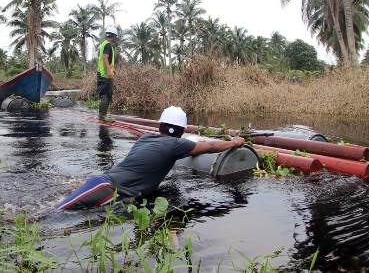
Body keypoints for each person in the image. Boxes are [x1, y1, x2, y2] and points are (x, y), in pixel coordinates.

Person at [57, 106, 245, 210]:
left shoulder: (146, 137)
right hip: (108, 190)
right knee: (55, 213)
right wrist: (234, 142)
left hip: (102, 183)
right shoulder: (177, 144)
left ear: (160, 126)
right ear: (181, 130)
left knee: (63, 209)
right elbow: (211, 146)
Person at [97, 25, 118, 120]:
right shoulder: (108, 45)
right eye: (115, 37)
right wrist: (109, 72)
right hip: (105, 75)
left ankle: (102, 115)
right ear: (113, 36)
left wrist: (112, 69)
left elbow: (105, 60)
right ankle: (102, 116)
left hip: (102, 74)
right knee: (106, 95)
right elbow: (105, 58)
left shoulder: (103, 44)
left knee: (105, 95)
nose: (115, 39)